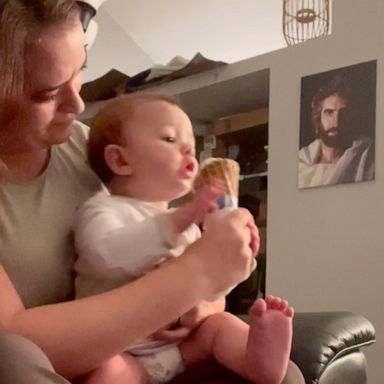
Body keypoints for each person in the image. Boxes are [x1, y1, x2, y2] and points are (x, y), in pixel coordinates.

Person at [0, 1, 261, 383]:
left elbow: (174, 251)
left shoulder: (87, 149)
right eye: (48, 93)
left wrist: (203, 298)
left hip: (146, 355)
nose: (78, 102)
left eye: (80, 73)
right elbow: (13, 342)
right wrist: (196, 274)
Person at [74, 93, 296, 384]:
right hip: (124, 351)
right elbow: (105, 256)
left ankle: (258, 361)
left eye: (191, 147)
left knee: (221, 325)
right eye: (169, 140)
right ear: (120, 159)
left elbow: (209, 291)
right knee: (107, 373)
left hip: (183, 348)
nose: (188, 153)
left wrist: (239, 256)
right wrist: (180, 219)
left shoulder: (189, 227)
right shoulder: (102, 209)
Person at [298, 75, 375, 188]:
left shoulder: (367, 155)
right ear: (318, 117)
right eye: (329, 113)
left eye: (343, 113)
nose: (336, 122)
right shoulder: (302, 162)